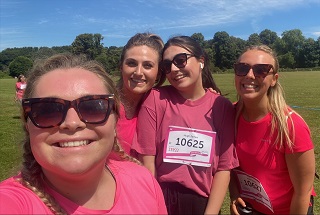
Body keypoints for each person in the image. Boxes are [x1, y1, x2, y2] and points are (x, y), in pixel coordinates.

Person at [0, 54, 167, 214]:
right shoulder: (12, 202)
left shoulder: (142, 179)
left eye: (93, 107)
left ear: (115, 120)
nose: (72, 123)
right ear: (28, 125)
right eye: (48, 110)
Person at [132, 36, 239, 214]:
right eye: (167, 65)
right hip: (162, 199)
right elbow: (147, 162)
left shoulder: (222, 106)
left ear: (201, 61)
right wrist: (155, 207)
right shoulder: (155, 99)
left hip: (204, 204)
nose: (174, 69)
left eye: (181, 60)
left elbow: (224, 168)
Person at [229, 45, 316, 215]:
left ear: (274, 79)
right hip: (250, 209)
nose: (249, 75)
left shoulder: (291, 125)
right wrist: (234, 193)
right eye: (242, 68)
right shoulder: (229, 115)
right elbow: (228, 164)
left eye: (261, 70)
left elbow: (302, 192)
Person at [116, 32, 166, 156]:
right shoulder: (103, 106)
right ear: (121, 67)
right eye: (131, 63)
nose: (138, 72)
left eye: (147, 65)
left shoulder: (161, 105)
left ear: (158, 73)